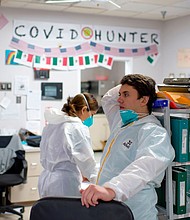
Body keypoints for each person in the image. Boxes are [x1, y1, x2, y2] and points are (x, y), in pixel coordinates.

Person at [80, 74, 175, 220]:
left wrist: (112, 189)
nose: (119, 99)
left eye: (126, 94)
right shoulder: (121, 123)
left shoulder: (153, 132)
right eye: (120, 94)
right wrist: (133, 82)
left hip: (135, 211)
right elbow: (107, 99)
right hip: (110, 207)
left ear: (144, 100)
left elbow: (144, 167)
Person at [38, 92, 99, 198]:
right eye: (92, 114)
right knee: (65, 214)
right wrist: (99, 182)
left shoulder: (52, 124)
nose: (91, 118)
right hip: (63, 184)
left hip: (45, 180)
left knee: (48, 213)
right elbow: (86, 160)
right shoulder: (76, 127)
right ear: (84, 110)